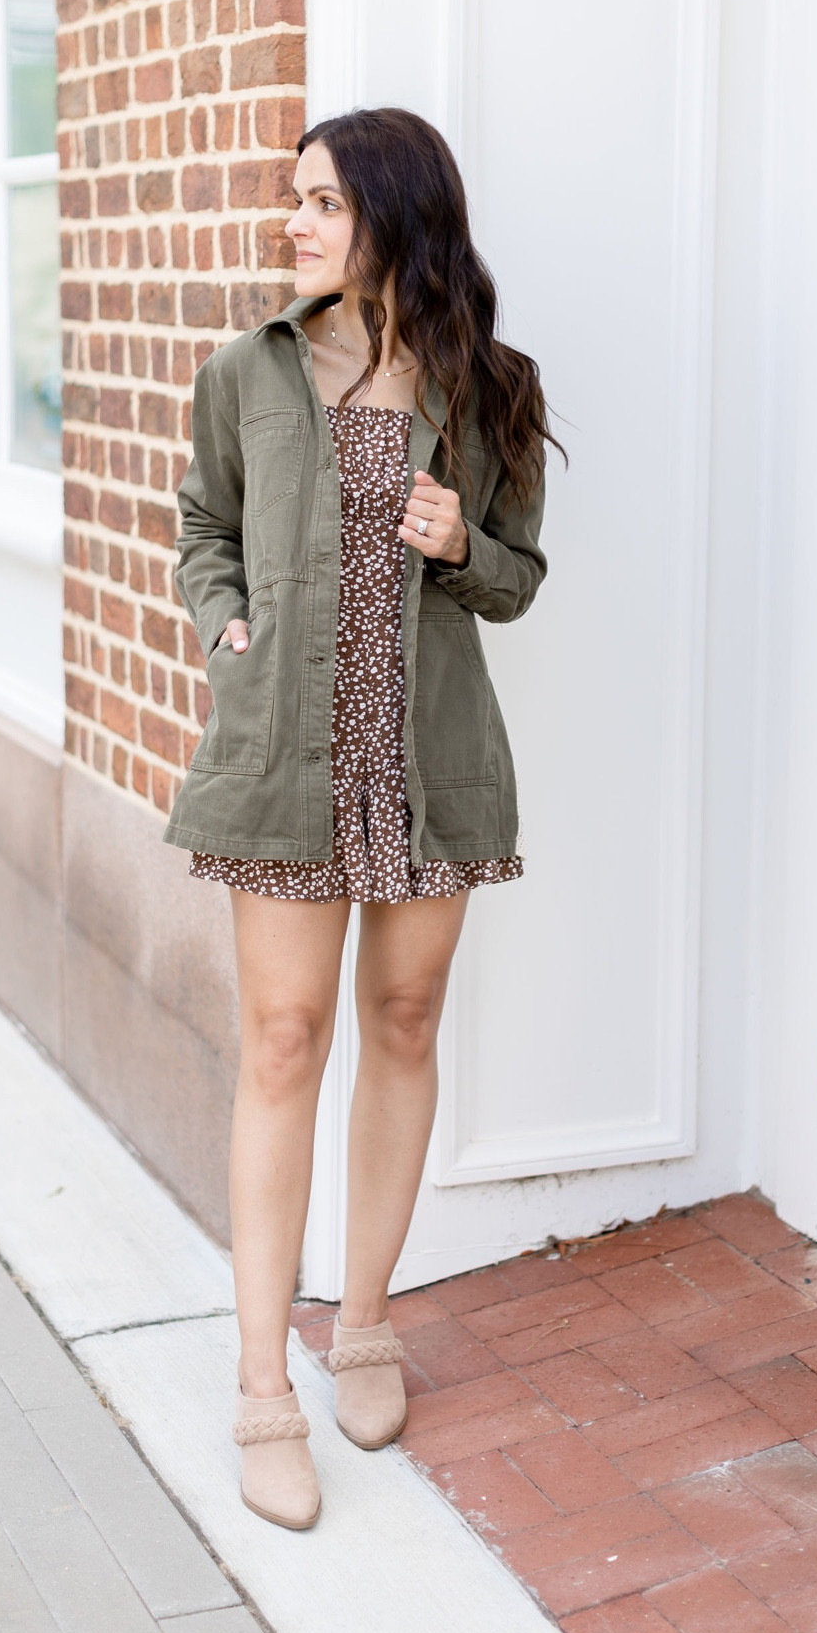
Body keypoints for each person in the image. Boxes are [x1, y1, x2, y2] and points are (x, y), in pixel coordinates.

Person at [164, 106, 560, 1529]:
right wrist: (226, 625)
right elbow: (203, 526)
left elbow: (518, 579)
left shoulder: (489, 384)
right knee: (284, 1041)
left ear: (395, 213)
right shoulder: (248, 371)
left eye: (324, 202)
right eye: (297, 200)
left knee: (402, 1022)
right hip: (286, 758)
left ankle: (368, 1322)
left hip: (425, 760)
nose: (296, 223)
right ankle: (260, 1383)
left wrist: (465, 547)